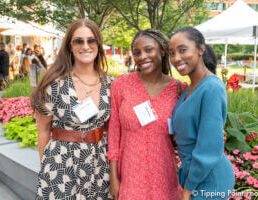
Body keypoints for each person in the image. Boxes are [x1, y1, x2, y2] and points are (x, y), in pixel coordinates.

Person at [30, 18, 113, 200]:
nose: (86, 46)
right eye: (78, 40)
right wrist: (48, 169)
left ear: (98, 45)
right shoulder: (54, 84)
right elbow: (43, 131)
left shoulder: (110, 84)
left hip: (98, 164)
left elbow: (109, 127)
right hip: (62, 164)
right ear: (69, 45)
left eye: (91, 40)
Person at [108, 29, 187, 200]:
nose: (142, 56)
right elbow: (114, 134)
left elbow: (190, 132)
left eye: (148, 50)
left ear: (163, 51)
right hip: (129, 179)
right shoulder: (121, 85)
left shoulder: (180, 89)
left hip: (164, 180)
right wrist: (114, 178)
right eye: (137, 53)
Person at [169, 27, 235, 200]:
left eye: (182, 50)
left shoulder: (211, 87)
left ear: (200, 49)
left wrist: (188, 190)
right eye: (172, 53)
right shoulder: (189, 88)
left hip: (209, 177)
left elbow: (208, 149)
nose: (176, 58)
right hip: (193, 173)